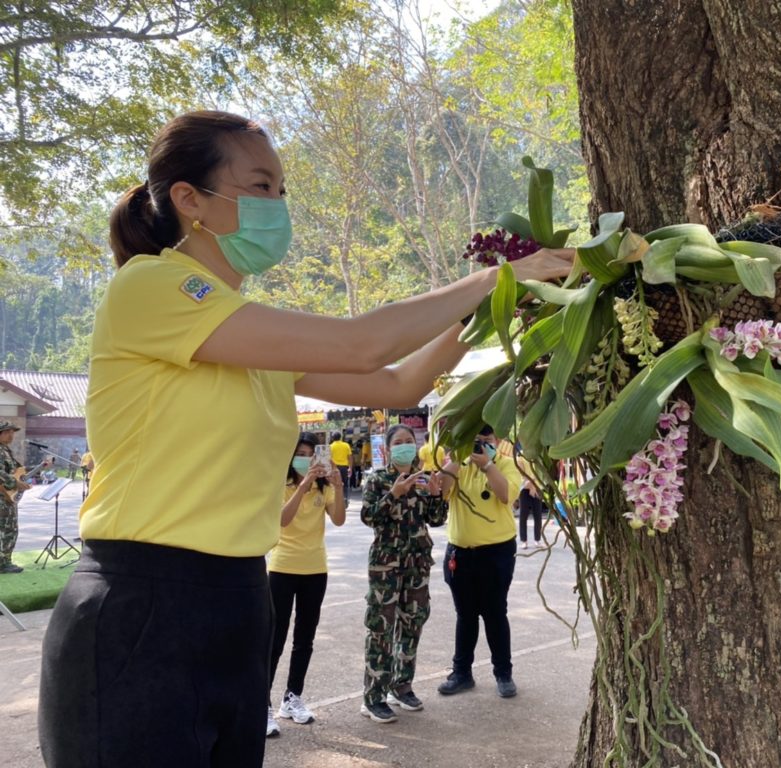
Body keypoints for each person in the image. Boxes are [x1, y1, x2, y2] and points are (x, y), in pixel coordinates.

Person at [37, 110, 573, 768]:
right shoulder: (150, 288)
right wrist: (497, 277)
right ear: (190, 200)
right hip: (142, 606)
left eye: (282, 191)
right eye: (260, 186)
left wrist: (496, 309)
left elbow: (399, 382)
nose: (277, 206)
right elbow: (359, 342)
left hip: (238, 600)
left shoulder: (248, 333)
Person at [359, 424, 447, 723]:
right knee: (381, 628)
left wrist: (436, 495)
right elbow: (369, 517)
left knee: (412, 625)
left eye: (410, 441)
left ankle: (402, 686)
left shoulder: (423, 480)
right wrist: (393, 495)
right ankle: (374, 696)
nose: (405, 446)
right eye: (399, 442)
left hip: (417, 564)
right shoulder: (378, 480)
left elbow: (436, 520)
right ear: (387, 449)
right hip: (386, 565)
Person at [266, 433, 346, 738]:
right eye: (300, 453)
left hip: (316, 569)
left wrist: (337, 486)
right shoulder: (282, 484)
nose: (306, 458)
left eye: (311, 454)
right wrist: (302, 485)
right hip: (283, 568)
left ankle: (292, 697)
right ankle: (264, 704)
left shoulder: (323, 487)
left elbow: (338, 519)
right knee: (275, 638)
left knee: (305, 638)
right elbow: (282, 521)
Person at [436, 425, 522, 698]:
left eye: (487, 440)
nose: (481, 445)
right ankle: (461, 673)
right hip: (459, 553)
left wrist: (487, 466)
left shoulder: (506, 464)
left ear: (498, 442)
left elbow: (505, 494)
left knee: (495, 613)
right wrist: (455, 460)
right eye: (476, 440)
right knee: (465, 615)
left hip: (496, 553)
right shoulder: (460, 464)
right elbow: (443, 491)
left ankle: (503, 674)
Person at [0, 421, 30, 574]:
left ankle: (5, 561)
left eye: (12, 432)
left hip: (7, 496)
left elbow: (16, 470)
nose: (11, 435)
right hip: (2, 497)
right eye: (7, 432)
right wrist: (15, 483)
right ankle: (3, 564)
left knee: (8, 529)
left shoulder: (5, 450)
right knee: (7, 530)